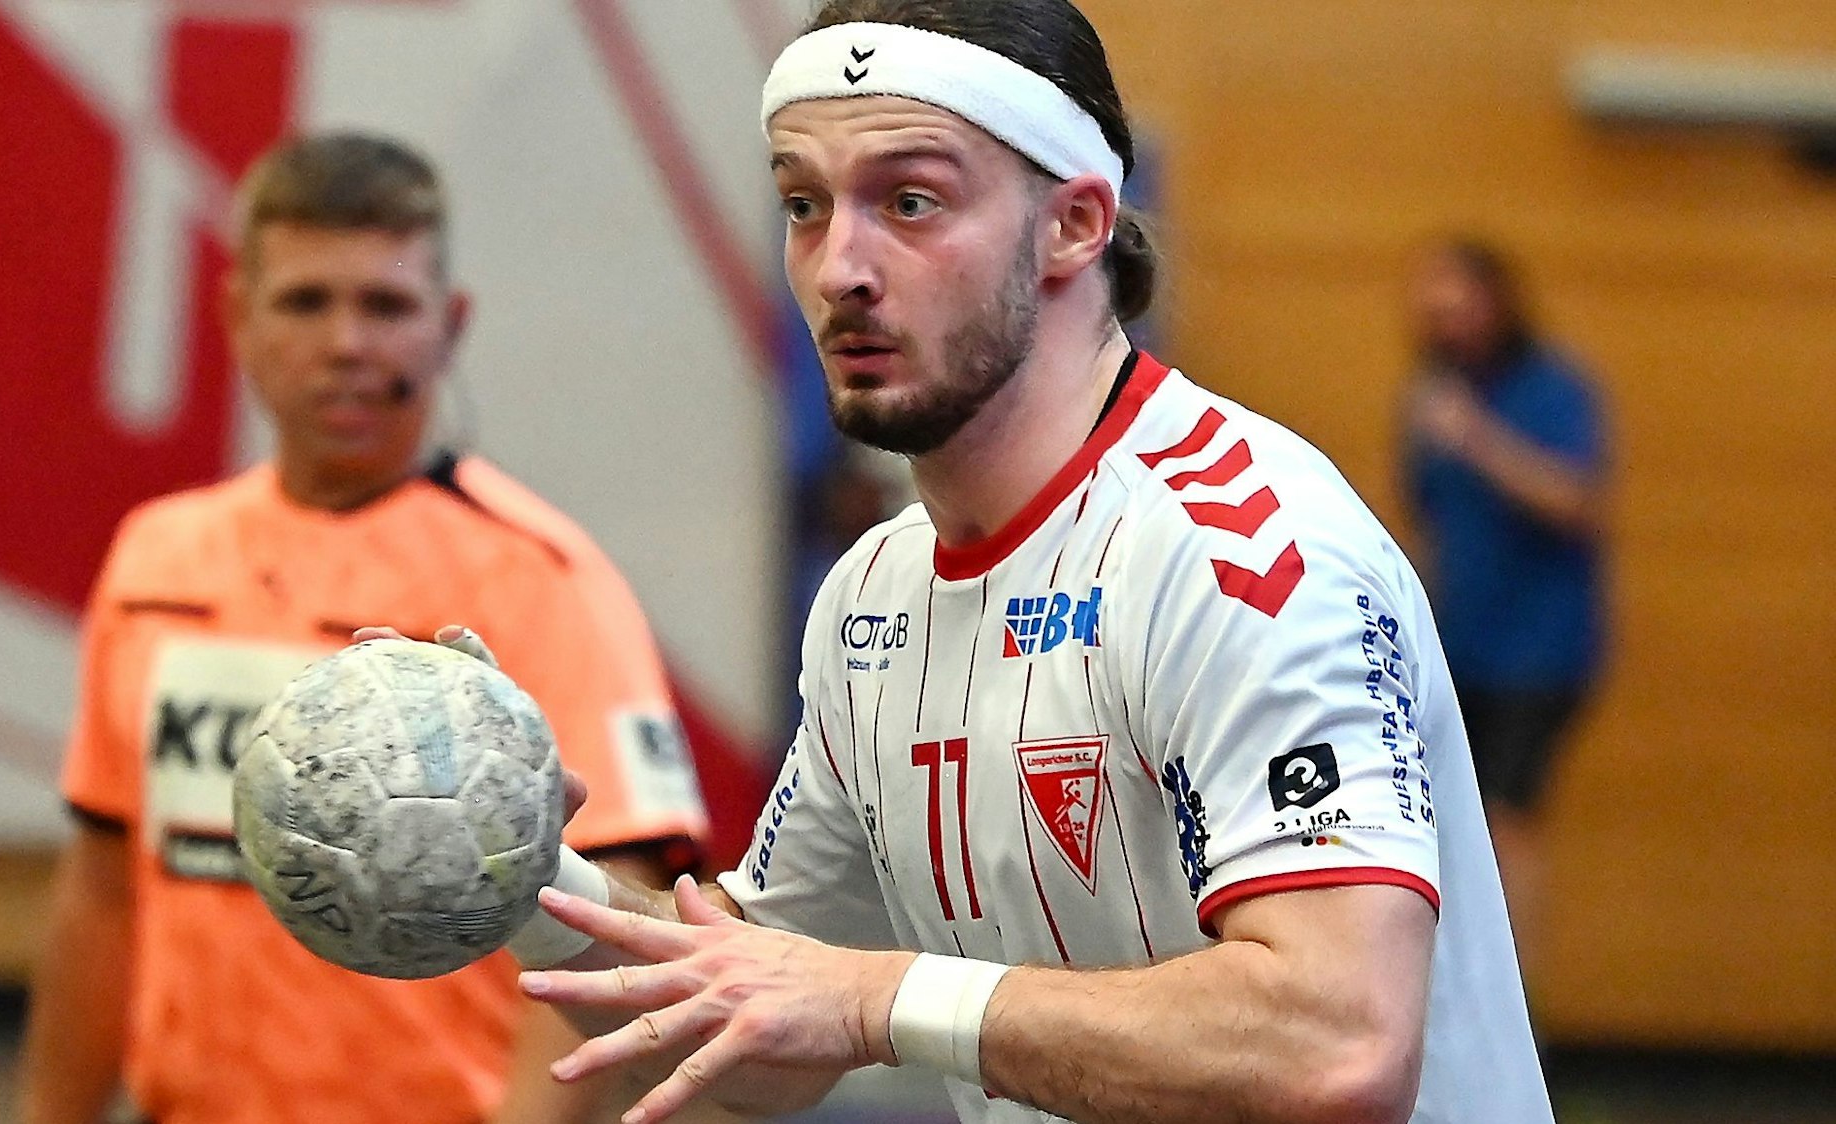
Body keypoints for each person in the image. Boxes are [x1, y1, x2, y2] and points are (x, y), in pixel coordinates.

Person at [367, 3, 1551, 1121]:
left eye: (912, 201)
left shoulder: (1240, 548)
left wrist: (880, 997)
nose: (839, 267)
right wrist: (519, 875)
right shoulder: (872, 597)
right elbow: (754, 1033)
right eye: (803, 204)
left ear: (1075, 223)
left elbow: (1338, 1042)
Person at [16, 132, 711, 1124]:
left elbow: (606, 902)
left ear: (448, 324)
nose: (346, 341)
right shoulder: (155, 558)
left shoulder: (539, 575)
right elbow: (102, 886)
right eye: (306, 300)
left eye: (384, 303)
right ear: (238, 315)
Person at [1403, 238, 1608, 980]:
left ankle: (1518, 1017)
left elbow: (1574, 501)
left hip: (1537, 648)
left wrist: (1478, 441)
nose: (1446, 328)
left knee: (1507, 819)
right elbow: (1427, 521)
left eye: (1459, 310)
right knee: (1449, 830)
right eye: (1434, 314)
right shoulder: (1431, 398)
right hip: (1461, 642)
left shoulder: (1552, 390)